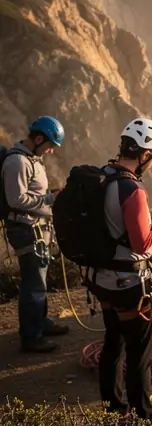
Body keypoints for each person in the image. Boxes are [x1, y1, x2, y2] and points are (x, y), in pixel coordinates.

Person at [90, 118, 152, 426]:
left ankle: (115, 415)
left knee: (113, 343)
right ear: (145, 155)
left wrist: (146, 219)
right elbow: (142, 244)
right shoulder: (133, 189)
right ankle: (146, 421)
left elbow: (112, 223)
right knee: (140, 352)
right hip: (129, 283)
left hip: (101, 278)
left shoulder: (103, 176)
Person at [1, 116, 69, 352]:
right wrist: (50, 199)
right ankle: (31, 337)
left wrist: (51, 196)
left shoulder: (31, 160)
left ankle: (41, 322)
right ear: (39, 139)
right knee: (34, 283)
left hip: (36, 228)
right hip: (26, 229)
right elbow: (16, 199)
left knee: (39, 279)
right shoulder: (18, 162)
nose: (51, 151)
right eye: (50, 145)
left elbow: (32, 194)